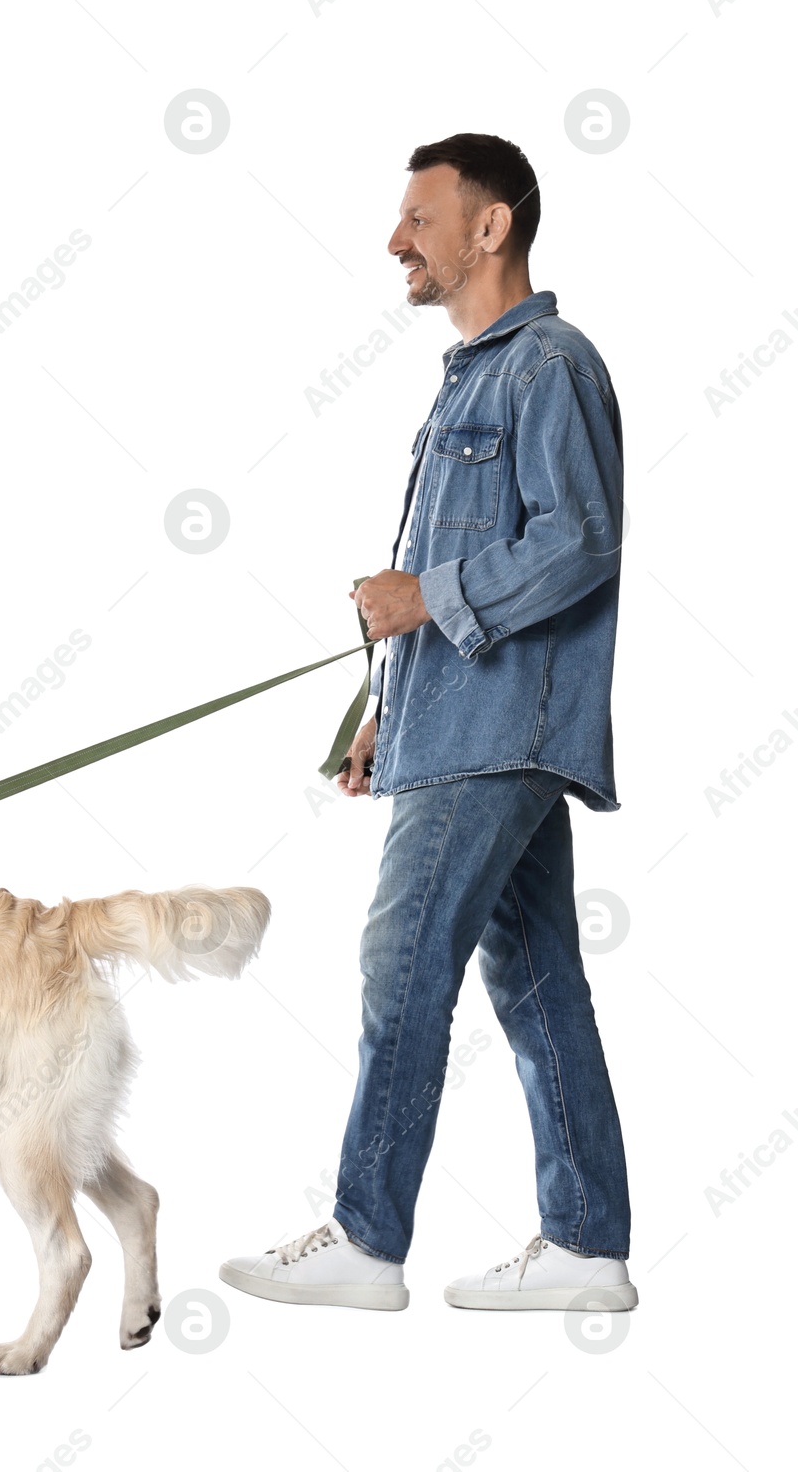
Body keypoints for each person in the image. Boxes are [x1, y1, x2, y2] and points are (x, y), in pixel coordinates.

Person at [221, 134, 635, 1312]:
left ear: (488, 227)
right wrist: (382, 715)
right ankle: (585, 1251)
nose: (395, 241)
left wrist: (422, 600)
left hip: (496, 733)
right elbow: (481, 571)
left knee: (401, 962)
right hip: (462, 725)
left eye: (418, 218)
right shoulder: (470, 377)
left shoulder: (545, 363)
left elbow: (576, 541)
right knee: (538, 981)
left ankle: (365, 1234)